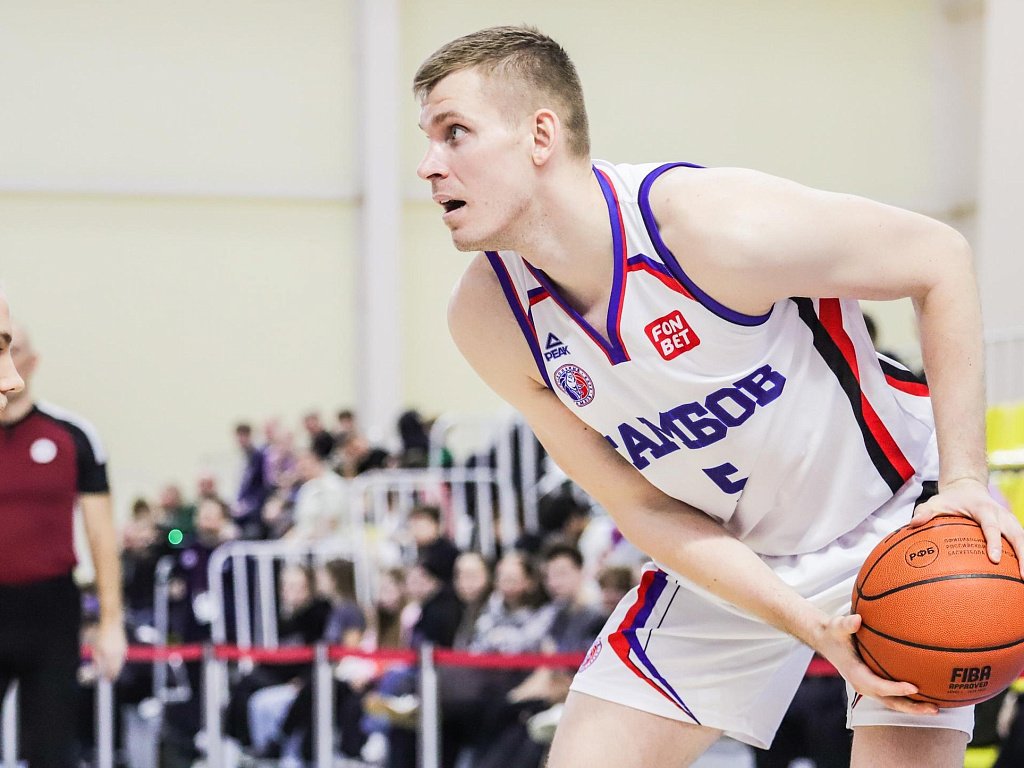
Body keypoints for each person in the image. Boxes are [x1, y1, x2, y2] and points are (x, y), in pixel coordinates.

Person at [412, 25, 1024, 768]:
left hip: (895, 513)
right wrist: (802, 621)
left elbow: (940, 258)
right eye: (428, 140)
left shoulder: (709, 224)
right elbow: (642, 505)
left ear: (540, 135)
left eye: (454, 133)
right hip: (735, 556)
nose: (429, 166)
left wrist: (964, 482)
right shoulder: (489, 319)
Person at [0, 316, 127, 768]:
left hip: (49, 611)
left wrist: (111, 622)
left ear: (32, 362)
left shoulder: (73, 436)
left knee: (52, 749)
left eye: (12, 349)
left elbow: (101, 534)